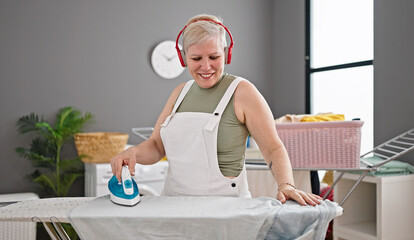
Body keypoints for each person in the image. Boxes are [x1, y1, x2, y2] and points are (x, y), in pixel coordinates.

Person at [110, 14, 322, 206]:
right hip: (173, 205)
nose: (206, 66)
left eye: (213, 57)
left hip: (225, 209)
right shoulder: (179, 92)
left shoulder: (242, 92)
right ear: (184, 58)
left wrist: (287, 185)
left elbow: (273, 148)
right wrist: (133, 153)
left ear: (226, 54)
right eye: (196, 59)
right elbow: (157, 145)